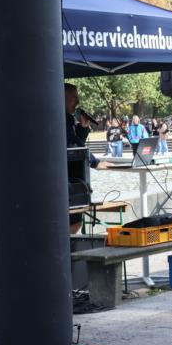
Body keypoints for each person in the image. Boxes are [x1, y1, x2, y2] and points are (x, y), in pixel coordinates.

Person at [64, 83, 112, 233]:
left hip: (72, 177)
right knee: (72, 223)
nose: (77, 102)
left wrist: (83, 128)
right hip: (66, 178)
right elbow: (72, 144)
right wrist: (95, 162)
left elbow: (75, 144)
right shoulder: (60, 118)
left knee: (75, 222)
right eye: (73, 98)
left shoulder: (68, 118)